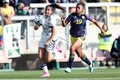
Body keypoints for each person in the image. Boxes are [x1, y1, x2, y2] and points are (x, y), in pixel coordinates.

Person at [61, 1, 105, 73]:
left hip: (81, 37)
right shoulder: (72, 15)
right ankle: (90, 64)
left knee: (72, 48)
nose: (77, 9)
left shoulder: (85, 16)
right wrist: (62, 21)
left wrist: (101, 29)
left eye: (79, 8)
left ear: (82, 9)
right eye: (76, 7)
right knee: (80, 55)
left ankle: (69, 67)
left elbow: (95, 21)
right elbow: (64, 25)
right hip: (73, 37)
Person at [34, 3, 64, 77]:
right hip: (43, 38)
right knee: (40, 56)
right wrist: (36, 26)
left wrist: (48, 41)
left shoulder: (52, 19)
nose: (47, 11)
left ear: (51, 12)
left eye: (48, 10)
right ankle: (46, 73)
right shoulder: (42, 17)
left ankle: (56, 51)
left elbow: (54, 32)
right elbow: (36, 27)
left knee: (48, 60)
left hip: (52, 39)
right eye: (46, 10)